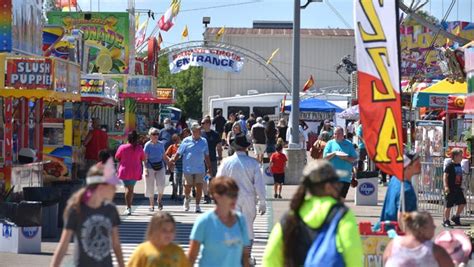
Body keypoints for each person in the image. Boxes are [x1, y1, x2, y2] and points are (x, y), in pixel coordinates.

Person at [263, 160, 363, 267]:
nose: (339, 186)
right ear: (328, 186)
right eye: (337, 183)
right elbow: (354, 258)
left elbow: (270, 259)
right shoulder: (341, 215)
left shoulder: (290, 217)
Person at [51, 162, 124, 267]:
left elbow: (116, 244)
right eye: (113, 186)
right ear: (101, 187)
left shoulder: (111, 209)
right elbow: (63, 245)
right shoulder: (76, 209)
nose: (115, 190)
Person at [217, 133, 266, 265]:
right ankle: (246, 257)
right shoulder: (253, 163)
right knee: (248, 228)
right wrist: (262, 202)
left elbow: (219, 181)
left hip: (230, 199)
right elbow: (259, 185)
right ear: (246, 147)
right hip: (248, 198)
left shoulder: (226, 162)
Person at [187, 177, 250, 267]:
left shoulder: (240, 220)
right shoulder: (204, 221)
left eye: (235, 195)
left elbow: (245, 256)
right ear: (217, 196)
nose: (234, 199)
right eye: (230, 195)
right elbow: (191, 257)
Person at [383, 211, 453, 267]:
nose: (434, 227)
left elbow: (385, 261)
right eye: (432, 224)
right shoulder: (435, 250)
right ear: (422, 229)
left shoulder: (393, 244)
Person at [170, 123, 212, 213]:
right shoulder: (186, 141)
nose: (200, 132)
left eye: (200, 130)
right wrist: (173, 161)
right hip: (188, 168)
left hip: (200, 168)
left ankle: (197, 205)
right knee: (187, 187)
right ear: (193, 131)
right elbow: (179, 153)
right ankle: (187, 198)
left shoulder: (204, 141)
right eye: (198, 130)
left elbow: (206, 155)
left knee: (199, 186)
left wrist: (209, 167)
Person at [380, 152, 421, 222]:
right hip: (397, 230)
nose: (420, 166)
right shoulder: (406, 190)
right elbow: (402, 221)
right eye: (417, 164)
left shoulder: (394, 179)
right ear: (408, 167)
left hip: (387, 226)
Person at [323, 126, 358, 200]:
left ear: (343, 134)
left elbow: (354, 159)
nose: (336, 135)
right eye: (335, 133)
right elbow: (325, 158)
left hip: (345, 178)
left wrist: (346, 158)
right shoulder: (330, 143)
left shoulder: (348, 144)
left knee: (341, 200)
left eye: (339, 133)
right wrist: (334, 153)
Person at [115, 131, 145, 215]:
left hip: (125, 170)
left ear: (128, 138)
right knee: (130, 189)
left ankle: (128, 207)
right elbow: (143, 158)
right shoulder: (139, 148)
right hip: (135, 171)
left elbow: (117, 157)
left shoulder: (122, 147)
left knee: (128, 189)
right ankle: (128, 206)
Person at [144, 128, 169, 211]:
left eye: (157, 134)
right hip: (150, 167)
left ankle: (159, 200)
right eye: (154, 134)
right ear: (150, 135)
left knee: (161, 185)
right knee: (150, 186)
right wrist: (145, 169)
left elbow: (164, 156)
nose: (156, 136)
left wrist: (169, 163)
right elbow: (144, 158)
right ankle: (151, 205)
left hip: (160, 166)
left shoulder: (161, 144)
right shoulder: (147, 145)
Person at [201, 117, 223, 203]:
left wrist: (220, 157)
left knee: (212, 178)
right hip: (202, 160)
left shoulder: (215, 134)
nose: (202, 125)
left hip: (212, 159)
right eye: (201, 123)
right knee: (203, 178)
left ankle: (211, 194)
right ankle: (206, 195)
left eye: (203, 123)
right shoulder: (200, 134)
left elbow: (219, 146)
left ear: (208, 124)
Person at [442, 148, 466, 227]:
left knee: (462, 203)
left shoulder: (458, 164)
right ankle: (446, 220)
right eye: (460, 156)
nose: (462, 157)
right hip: (450, 188)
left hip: (458, 188)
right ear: (455, 156)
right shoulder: (449, 165)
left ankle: (456, 217)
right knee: (448, 205)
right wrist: (446, 186)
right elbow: (445, 176)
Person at [166, 134, 183, 201]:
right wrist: (170, 159)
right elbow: (166, 154)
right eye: (175, 140)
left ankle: (180, 195)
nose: (177, 141)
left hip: (182, 166)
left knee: (181, 182)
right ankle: (175, 195)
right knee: (175, 182)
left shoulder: (182, 146)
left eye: (178, 139)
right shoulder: (172, 147)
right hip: (174, 167)